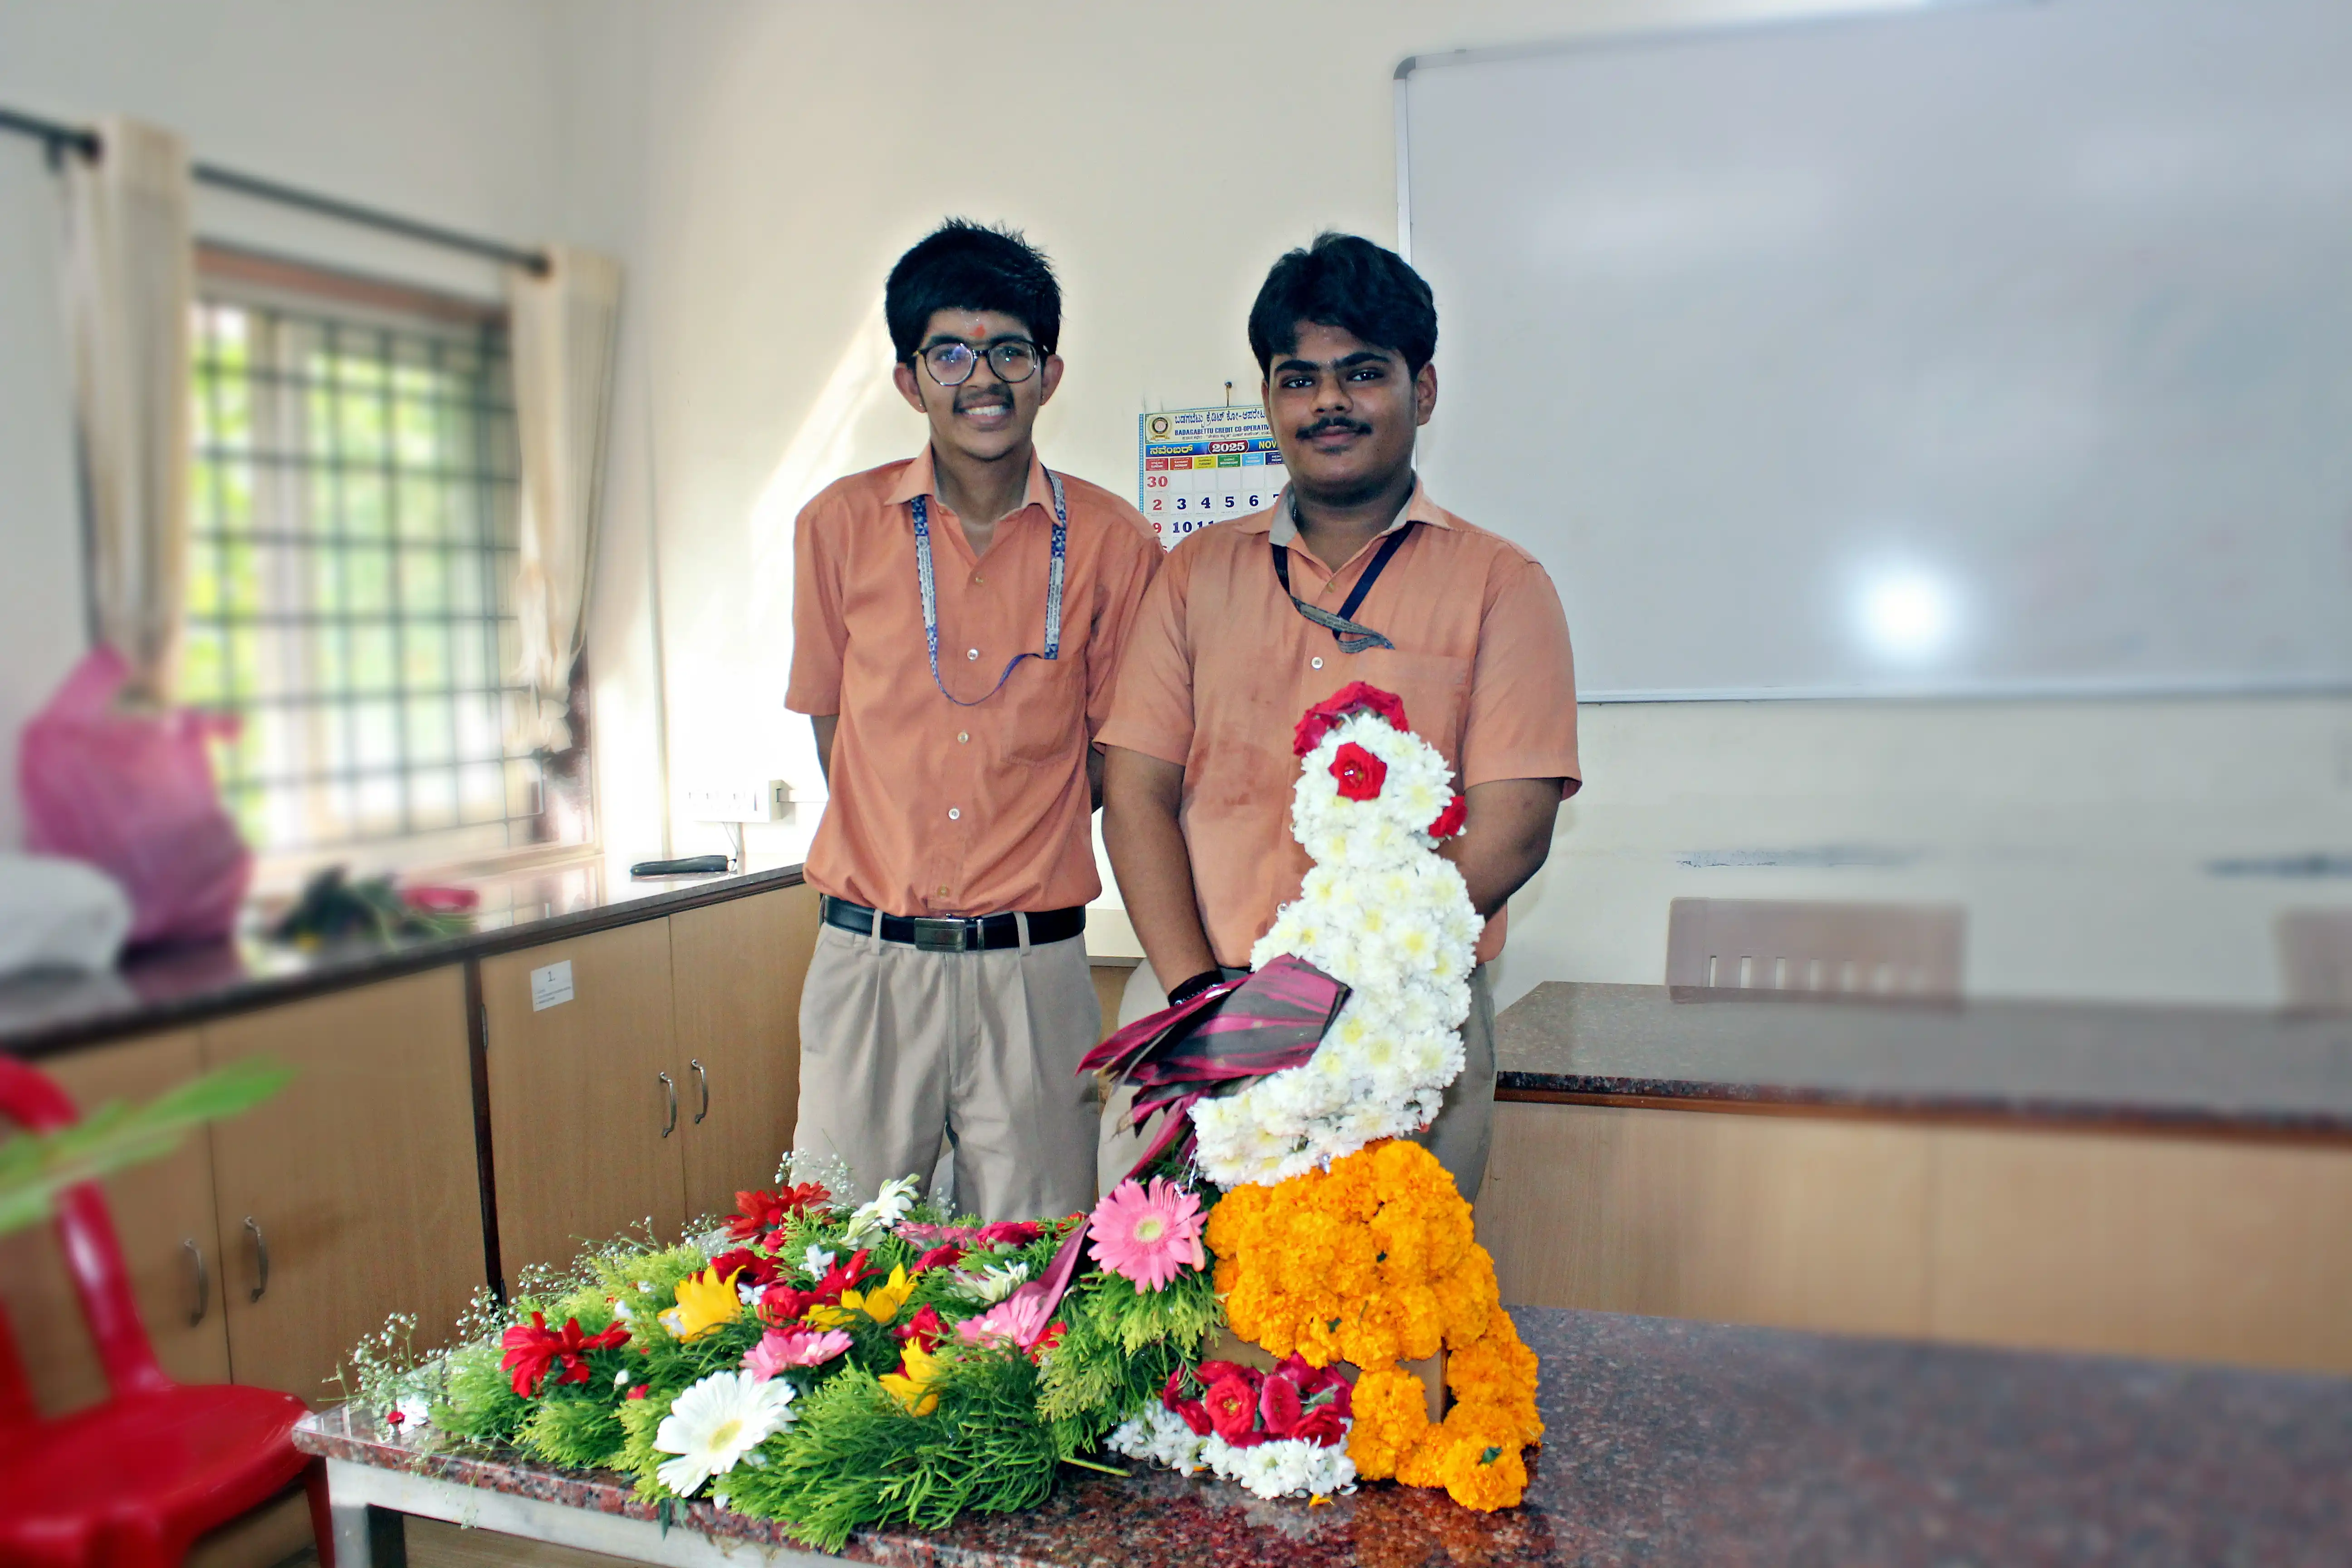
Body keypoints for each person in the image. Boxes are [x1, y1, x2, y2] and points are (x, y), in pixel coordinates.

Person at [1096, 232, 1580, 1201]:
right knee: (1163, 1324)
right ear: (1271, 399)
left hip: (1404, 1023)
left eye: (1362, 374)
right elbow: (1135, 792)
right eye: (1298, 378)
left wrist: (1338, 989)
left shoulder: (1501, 586)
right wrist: (1200, 997)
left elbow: (1514, 827)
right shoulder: (1194, 577)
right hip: (1203, 1007)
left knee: (1381, 1325)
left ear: (1423, 390)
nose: (1328, 403)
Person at [785, 220, 1160, 1219]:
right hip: (870, 965)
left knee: (1036, 1266)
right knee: (838, 1272)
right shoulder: (837, 528)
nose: (981, 377)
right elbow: (834, 730)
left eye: (1009, 351)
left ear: (1049, 371)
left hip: (1033, 974)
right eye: (949, 352)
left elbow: (1115, 761)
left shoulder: (1118, 544)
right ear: (911, 380)